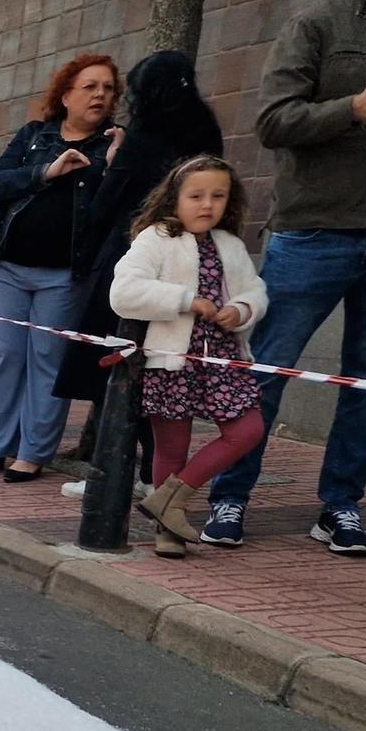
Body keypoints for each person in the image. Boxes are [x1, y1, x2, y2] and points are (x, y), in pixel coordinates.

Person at [199, 0, 366, 555]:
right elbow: (272, 121)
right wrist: (353, 109)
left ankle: (341, 507)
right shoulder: (319, 23)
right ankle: (229, 496)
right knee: (268, 370)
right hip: (314, 232)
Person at [0, 52, 120, 479]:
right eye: (90, 86)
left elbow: (112, 213)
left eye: (107, 88)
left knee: (47, 360)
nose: (100, 95)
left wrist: (114, 169)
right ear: (66, 94)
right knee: (5, 356)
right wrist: (46, 171)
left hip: (65, 274)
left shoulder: (111, 145)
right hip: (13, 266)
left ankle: (32, 452)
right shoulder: (35, 135)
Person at [54, 51, 224, 433]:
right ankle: (154, 471)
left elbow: (106, 204)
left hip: (130, 257)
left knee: (118, 367)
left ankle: (111, 472)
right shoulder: (205, 131)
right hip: (186, 262)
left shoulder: (145, 133)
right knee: (166, 373)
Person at [110, 156, 269, 557]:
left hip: (222, 358)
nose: (207, 205)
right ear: (174, 199)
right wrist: (184, 300)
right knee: (171, 448)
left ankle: (169, 502)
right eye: (196, 196)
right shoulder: (156, 238)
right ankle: (168, 531)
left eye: (218, 196)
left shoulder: (230, 245)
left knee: (247, 430)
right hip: (172, 360)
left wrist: (243, 309)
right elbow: (123, 293)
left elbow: (256, 290)